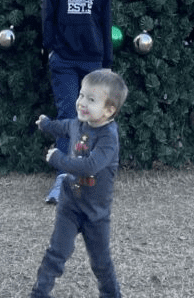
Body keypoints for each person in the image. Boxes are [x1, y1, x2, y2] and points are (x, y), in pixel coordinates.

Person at [29, 69, 128, 298]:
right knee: (56, 253)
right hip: (70, 206)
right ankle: (39, 293)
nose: (82, 103)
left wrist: (58, 159)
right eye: (81, 95)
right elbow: (64, 127)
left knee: (101, 263)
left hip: (96, 214)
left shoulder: (108, 138)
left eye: (91, 99)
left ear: (109, 110)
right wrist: (46, 124)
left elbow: (90, 165)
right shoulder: (79, 123)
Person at [41, 0, 113, 203]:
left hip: (92, 60)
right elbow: (48, 13)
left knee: (93, 116)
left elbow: (105, 24)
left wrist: (107, 63)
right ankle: (63, 178)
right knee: (68, 112)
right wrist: (51, 48)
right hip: (65, 60)